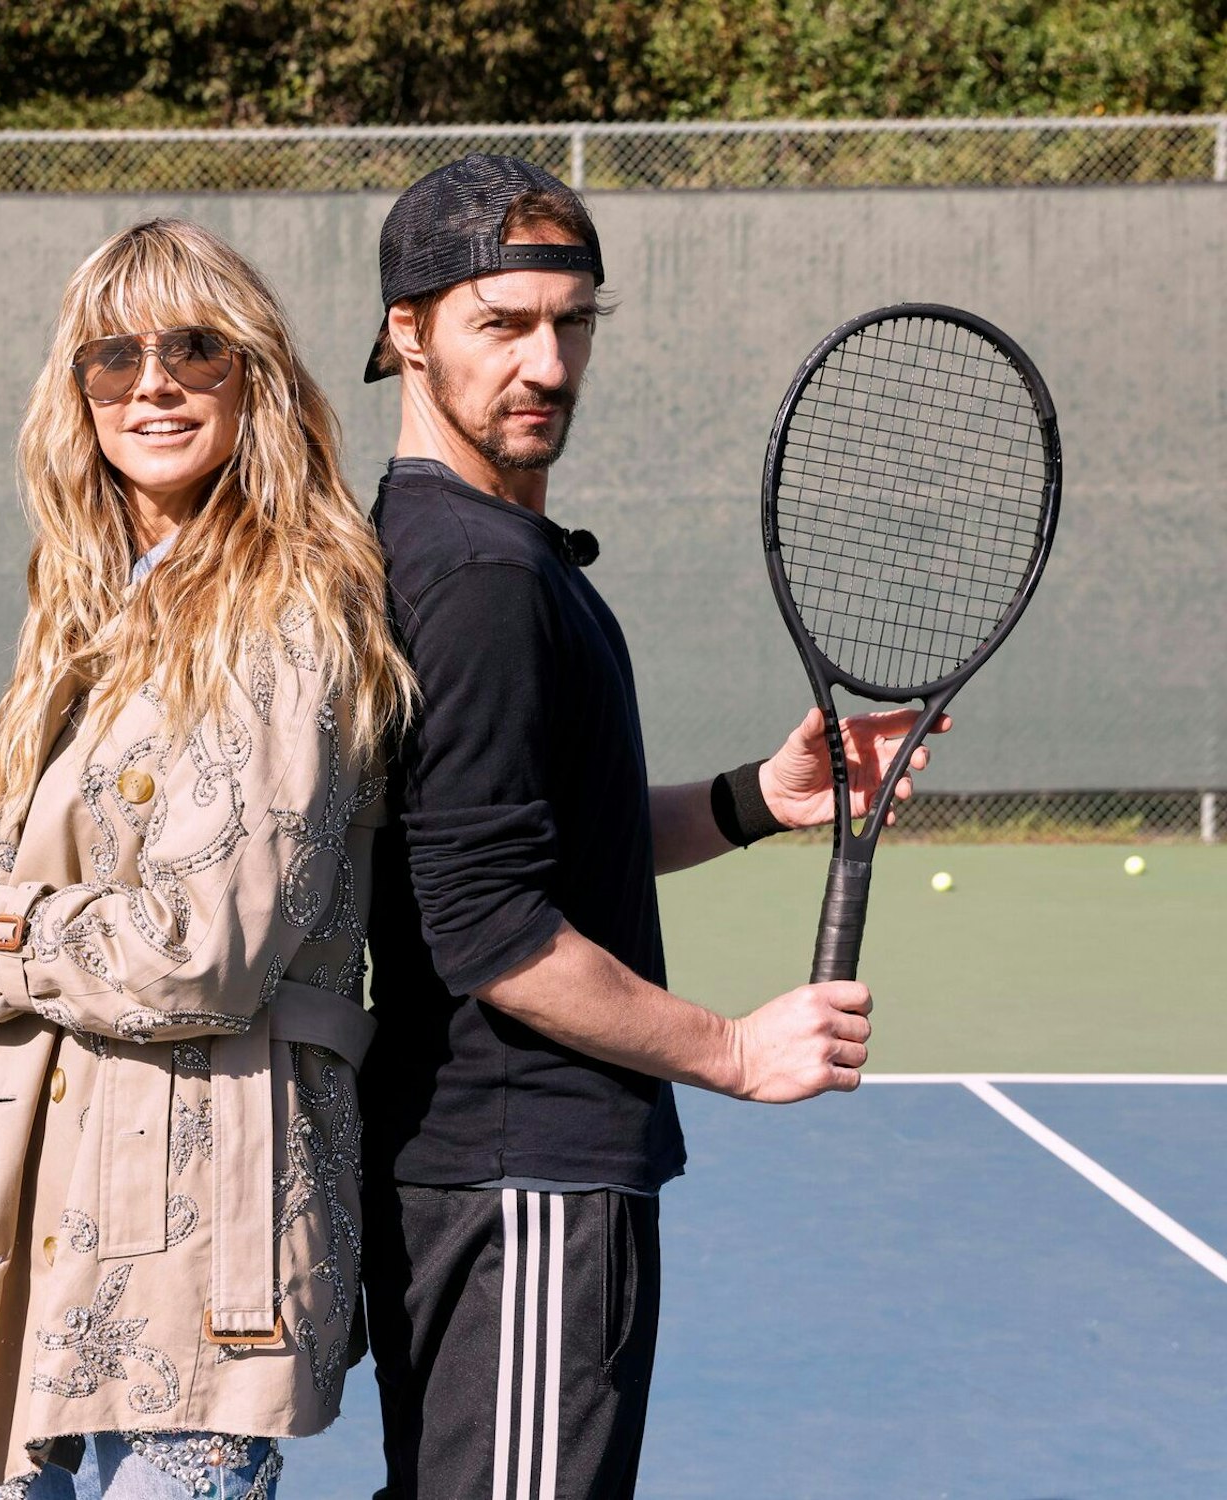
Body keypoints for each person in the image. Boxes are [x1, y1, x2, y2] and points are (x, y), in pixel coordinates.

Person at [0, 218, 414, 1500]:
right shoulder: (97, 598)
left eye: (193, 348)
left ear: (255, 377)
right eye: (113, 358)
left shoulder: (285, 606)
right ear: (79, 394)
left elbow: (202, 953)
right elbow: (91, 873)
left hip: (196, 1251)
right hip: (61, 1219)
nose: (152, 382)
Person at [357, 155, 947, 1500]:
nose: (547, 364)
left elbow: (525, 838)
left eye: (573, 324)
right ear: (408, 332)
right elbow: (494, 931)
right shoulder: (476, 578)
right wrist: (735, 1050)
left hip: (507, 1173)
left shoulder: (459, 550)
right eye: (502, 324)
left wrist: (754, 800)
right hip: (521, 1173)